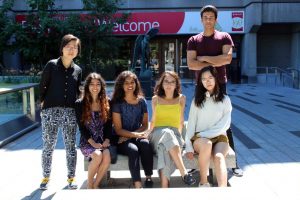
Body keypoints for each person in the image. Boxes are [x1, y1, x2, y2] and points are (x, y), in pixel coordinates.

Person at [187, 5, 243, 177]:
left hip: (220, 84)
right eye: (206, 17)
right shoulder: (194, 40)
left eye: (211, 17)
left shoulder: (224, 37)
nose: (209, 20)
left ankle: (234, 164)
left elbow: (227, 59)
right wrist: (214, 62)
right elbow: (191, 64)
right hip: (200, 85)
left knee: (224, 123)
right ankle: (196, 162)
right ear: (201, 20)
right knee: (198, 121)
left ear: (216, 19)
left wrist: (203, 58)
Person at [39, 34, 82, 190]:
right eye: (69, 46)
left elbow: (78, 91)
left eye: (75, 47)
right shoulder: (51, 65)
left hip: (70, 112)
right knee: (48, 146)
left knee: (71, 146)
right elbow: (43, 85)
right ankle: (45, 176)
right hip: (50, 111)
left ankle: (71, 177)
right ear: (62, 48)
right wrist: (43, 103)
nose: (72, 50)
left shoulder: (78, 70)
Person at [185, 66, 231, 187]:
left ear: (216, 78)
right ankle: (204, 183)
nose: (208, 81)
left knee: (219, 157)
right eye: (204, 79)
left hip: (219, 137)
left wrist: (205, 134)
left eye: (210, 77)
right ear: (201, 82)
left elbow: (224, 125)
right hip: (200, 140)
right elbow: (191, 124)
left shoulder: (225, 99)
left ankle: (223, 191)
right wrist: (188, 146)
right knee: (207, 144)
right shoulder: (197, 101)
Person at [148, 71, 196, 188]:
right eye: (166, 81)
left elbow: (181, 121)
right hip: (157, 134)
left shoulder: (181, 99)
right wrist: (148, 133)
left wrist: (179, 140)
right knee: (167, 134)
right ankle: (184, 172)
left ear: (176, 85)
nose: (169, 84)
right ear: (162, 84)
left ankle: (165, 187)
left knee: (164, 149)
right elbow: (153, 120)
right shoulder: (155, 99)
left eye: (172, 82)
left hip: (174, 136)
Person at [111, 71, 153, 188]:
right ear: (121, 85)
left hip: (135, 134)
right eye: (126, 83)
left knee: (145, 144)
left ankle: (149, 177)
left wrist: (135, 135)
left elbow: (145, 125)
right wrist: (134, 135)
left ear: (136, 84)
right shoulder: (117, 103)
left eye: (132, 82)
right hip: (121, 139)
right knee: (133, 150)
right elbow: (118, 130)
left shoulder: (142, 101)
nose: (130, 85)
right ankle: (137, 184)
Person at [75, 73, 112, 189]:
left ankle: (95, 185)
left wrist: (106, 139)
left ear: (102, 87)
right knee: (97, 155)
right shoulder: (80, 104)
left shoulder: (107, 102)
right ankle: (90, 185)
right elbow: (81, 128)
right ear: (87, 86)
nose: (95, 87)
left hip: (102, 140)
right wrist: (93, 143)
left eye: (98, 84)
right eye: (92, 84)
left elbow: (108, 125)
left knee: (106, 156)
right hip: (88, 141)